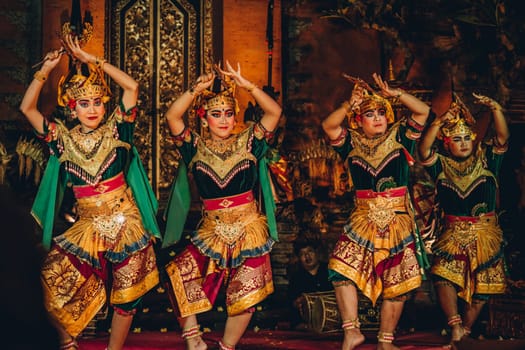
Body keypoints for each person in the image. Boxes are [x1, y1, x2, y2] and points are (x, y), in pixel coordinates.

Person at [19, 34, 161, 350]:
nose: (92, 109)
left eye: (97, 102)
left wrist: (91, 58)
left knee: (126, 298)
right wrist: (46, 71)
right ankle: (68, 343)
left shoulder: (118, 129)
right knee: (48, 282)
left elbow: (132, 88)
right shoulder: (61, 139)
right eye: (84, 104)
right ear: (73, 108)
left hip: (126, 224)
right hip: (86, 228)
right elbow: (26, 107)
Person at [163, 61, 282, 350]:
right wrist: (195, 89)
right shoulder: (194, 146)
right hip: (212, 230)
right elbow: (172, 116)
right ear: (204, 119)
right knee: (179, 274)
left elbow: (274, 112)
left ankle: (226, 347)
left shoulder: (251, 141)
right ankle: (194, 341)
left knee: (246, 293)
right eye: (216, 114)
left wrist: (247, 86)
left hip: (249, 229)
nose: (224, 119)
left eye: (229, 113)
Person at [322, 73, 431, 350]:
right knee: (340, 270)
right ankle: (352, 332)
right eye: (370, 114)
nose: (378, 118)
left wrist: (395, 94)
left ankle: (385, 341)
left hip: (397, 219)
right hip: (363, 219)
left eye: (382, 112)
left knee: (399, 281)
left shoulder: (401, 137)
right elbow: (329, 125)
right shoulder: (351, 142)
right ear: (359, 119)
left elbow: (423, 111)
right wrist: (350, 104)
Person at [418, 93, 508, 344]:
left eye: (467, 137)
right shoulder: (441, 165)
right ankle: (455, 324)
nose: (464, 142)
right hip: (453, 233)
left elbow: (502, 138)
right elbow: (423, 149)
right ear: (447, 144)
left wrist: (495, 107)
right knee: (443, 276)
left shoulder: (487, 160)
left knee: (483, 285)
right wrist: (437, 122)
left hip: (485, 233)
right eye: (457, 139)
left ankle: (465, 332)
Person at [287, 238, 333, 330]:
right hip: (308, 324)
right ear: (299, 258)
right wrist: (297, 303)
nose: (307, 256)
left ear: (316, 252)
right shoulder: (296, 277)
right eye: (302, 254)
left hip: (332, 319)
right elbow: (291, 304)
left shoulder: (330, 270)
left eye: (310, 251)